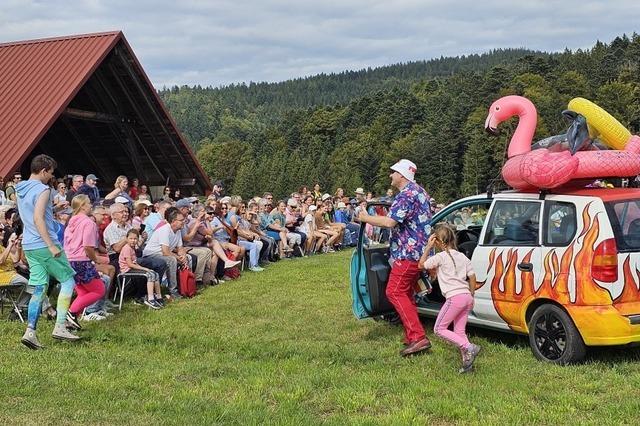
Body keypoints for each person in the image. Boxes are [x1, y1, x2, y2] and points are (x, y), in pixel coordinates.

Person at [358, 159, 432, 357]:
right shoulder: (419, 191)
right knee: (405, 293)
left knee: (394, 291)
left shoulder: (406, 194)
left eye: (393, 172)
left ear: (401, 175)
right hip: (419, 251)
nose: (391, 175)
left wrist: (365, 218)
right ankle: (412, 334)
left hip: (408, 252)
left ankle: (418, 337)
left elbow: (390, 222)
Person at [16, 154, 81, 349]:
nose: (51, 178)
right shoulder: (43, 189)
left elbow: (33, 213)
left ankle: (30, 332)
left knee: (38, 288)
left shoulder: (21, 189)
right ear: (44, 171)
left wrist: (51, 209)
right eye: (50, 174)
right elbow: (38, 218)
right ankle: (60, 326)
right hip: (45, 243)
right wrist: (51, 245)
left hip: (29, 245)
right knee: (68, 280)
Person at [419, 224, 481, 373]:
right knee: (459, 331)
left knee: (439, 329)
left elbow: (421, 265)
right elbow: (472, 277)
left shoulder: (440, 257)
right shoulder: (462, 256)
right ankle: (467, 365)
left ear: (438, 241)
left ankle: (469, 347)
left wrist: (428, 247)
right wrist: (471, 295)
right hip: (467, 297)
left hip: (454, 298)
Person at [63, 194, 106, 330]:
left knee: (83, 292)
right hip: (81, 261)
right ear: (82, 206)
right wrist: (96, 259)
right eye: (88, 203)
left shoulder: (71, 221)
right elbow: (88, 246)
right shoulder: (88, 223)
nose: (91, 205)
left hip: (69, 260)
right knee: (99, 289)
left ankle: (72, 319)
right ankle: (70, 314)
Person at [119, 229, 163, 309]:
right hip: (127, 270)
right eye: (131, 238)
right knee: (149, 274)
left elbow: (134, 263)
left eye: (135, 239)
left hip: (131, 267)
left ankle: (158, 296)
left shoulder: (132, 248)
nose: (133, 241)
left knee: (155, 274)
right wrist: (145, 269)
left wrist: (144, 269)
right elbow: (130, 264)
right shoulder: (126, 248)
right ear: (126, 238)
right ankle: (150, 299)